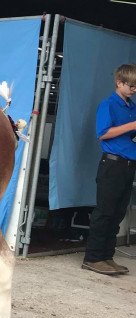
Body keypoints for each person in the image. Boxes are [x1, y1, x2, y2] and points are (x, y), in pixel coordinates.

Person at [82, 63, 136, 275]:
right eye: (130, 86)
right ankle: (92, 258)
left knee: (117, 213)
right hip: (112, 163)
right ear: (119, 82)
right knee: (104, 212)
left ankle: (107, 256)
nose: (133, 89)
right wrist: (132, 127)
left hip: (128, 164)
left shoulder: (131, 107)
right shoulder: (108, 105)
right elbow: (102, 133)